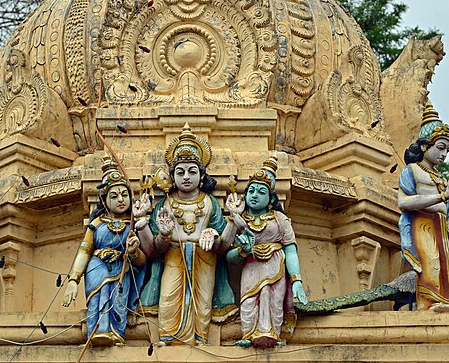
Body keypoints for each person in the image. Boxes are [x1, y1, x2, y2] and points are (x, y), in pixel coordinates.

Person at [136, 124, 242, 345]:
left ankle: (200, 340)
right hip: (173, 257)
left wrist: (219, 231)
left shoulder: (209, 202)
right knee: (167, 299)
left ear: (202, 177)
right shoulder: (166, 203)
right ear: (172, 177)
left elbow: (224, 246)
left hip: (205, 259)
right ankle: (169, 341)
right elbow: (151, 250)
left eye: (192, 171)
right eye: (180, 172)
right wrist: (161, 234)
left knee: (203, 305)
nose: (186, 177)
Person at [62, 158, 146, 346]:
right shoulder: (97, 224)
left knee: (118, 299)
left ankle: (116, 332)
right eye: (114, 196)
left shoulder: (133, 226)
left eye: (124, 194)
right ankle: (98, 331)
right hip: (97, 266)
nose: (121, 199)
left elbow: (142, 262)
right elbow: (84, 251)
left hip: (120, 268)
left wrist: (133, 252)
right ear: (104, 200)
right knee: (97, 297)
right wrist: (73, 280)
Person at [226, 157, 307, 348]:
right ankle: (249, 333)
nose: (254, 195)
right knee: (248, 301)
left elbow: (291, 250)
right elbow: (228, 257)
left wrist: (296, 280)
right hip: (251, 267)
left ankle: (271, 333)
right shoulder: (239, 221)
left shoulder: (279, 219)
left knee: (272, 299)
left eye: (261, 192)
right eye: (251, 191)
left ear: (271, 199)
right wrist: (243, 251)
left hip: (275, 267)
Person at [397, 103, 449, 310]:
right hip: (422, 224)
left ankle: (442, 304)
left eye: (447, 150)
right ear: (424, 146)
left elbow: (448, 208)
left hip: (441, 227)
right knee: (430, 266)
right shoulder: (412, 170)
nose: (444, 154)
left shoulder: (441, 177)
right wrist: (442, 196)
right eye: (440, 148)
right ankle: (425, 307)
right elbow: (404, 202)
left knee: (443, 269)